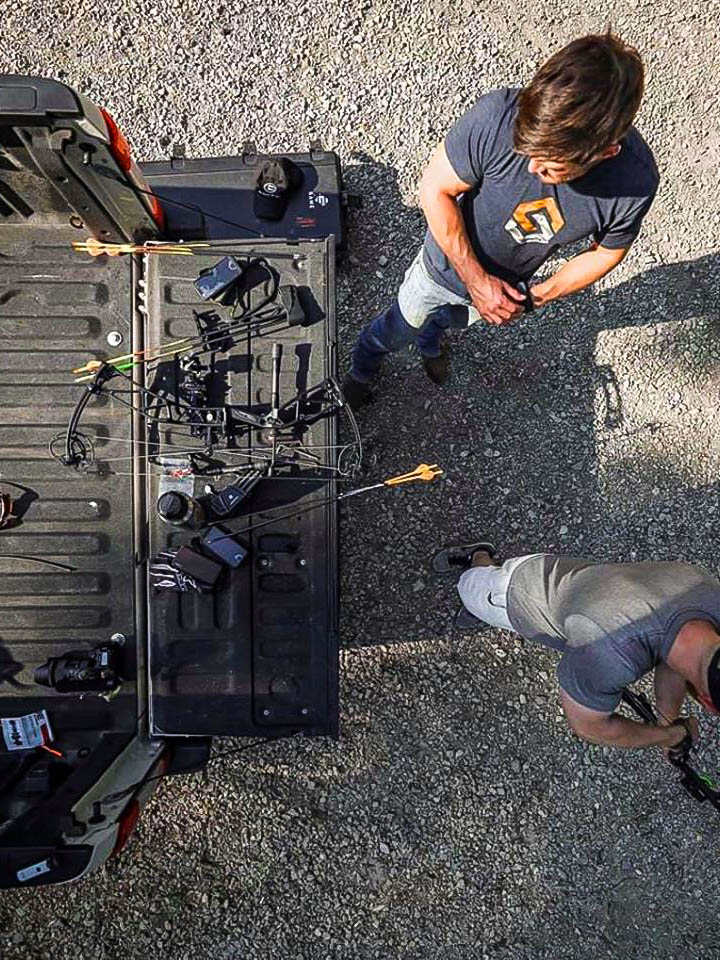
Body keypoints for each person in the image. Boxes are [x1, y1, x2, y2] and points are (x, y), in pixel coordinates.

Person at [343, 32, 659, 410]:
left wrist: (533, 297)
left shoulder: (634, 185)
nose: (532, 167)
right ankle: (363, 366)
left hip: (503, 291)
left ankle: (430, 343)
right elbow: (435, 189)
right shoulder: (496, 117)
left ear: (605, 152)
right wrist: (477, 280)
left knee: (447, 321)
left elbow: (607, 253)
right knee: (397, 329)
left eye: (550, 167)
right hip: (441, 268)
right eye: (527, 148)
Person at [440, 546, 720, 751]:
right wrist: (669, 737)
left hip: (563, 575)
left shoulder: (707, 590)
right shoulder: (609, 651)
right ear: (707, 703)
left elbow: (675, 662)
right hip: (513, 590)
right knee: (470, 588)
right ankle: (478, 558)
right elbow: (590, 726)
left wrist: (668, 724)